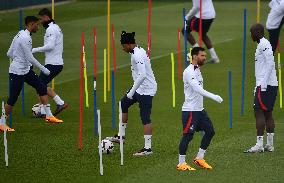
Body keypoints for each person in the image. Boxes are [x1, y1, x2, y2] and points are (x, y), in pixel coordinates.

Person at [1, 16, 63, 132]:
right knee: (13, 98)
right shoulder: (25, 38)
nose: (38, 27)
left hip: (26, 70)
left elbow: (9, 53)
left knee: (41, 87)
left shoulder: (20, 34)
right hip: (17, 72)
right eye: (37, 25)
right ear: (31, 24)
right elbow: (30, 57)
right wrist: (43, 69)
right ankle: (2, 123)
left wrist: (20, 59)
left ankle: (49, 116)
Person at [106, 31, 157, 156]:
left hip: (146, 90)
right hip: (139, 88)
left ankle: (147, 149)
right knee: (123, 104)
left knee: (145, 118)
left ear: (128, 44)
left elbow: (143, 75)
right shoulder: (136, 51)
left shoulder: (138, 55)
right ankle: (120, 136)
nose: (122, 48)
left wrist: (131, 91)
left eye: (123, 45)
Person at [176, 47, 223, 171]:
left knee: (210, 131)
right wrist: (214, 96)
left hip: (200, 110)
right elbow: (197, 89)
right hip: (190, 110)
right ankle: (181, 163)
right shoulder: (189, 72)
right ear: (195, 56)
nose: (205, 58)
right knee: (188, 136)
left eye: (205, 56)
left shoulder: (197, 70)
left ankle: (199, 158)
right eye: (202, 56)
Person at [244, 24, 278, 153]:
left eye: (252, 32)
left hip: (266, 85)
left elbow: (270, 63)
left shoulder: (264, 44)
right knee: (268, 113)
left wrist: (262, 84)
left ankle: (259, 145)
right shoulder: (262, 44)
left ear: (258, 32)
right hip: (269, 84)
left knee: (258, 111)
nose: (251, 35)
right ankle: (269, 145)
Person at [32, 8, 68, 117]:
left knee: (39, 85)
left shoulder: (51, 29)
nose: (40, 21)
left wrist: (33, 50)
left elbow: (50, 46)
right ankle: (58, 103)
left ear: (46, 17)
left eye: (41, 18)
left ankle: (50, 107)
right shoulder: (55, 27)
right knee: (41, 85)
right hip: (54, 63)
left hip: (53, 63)